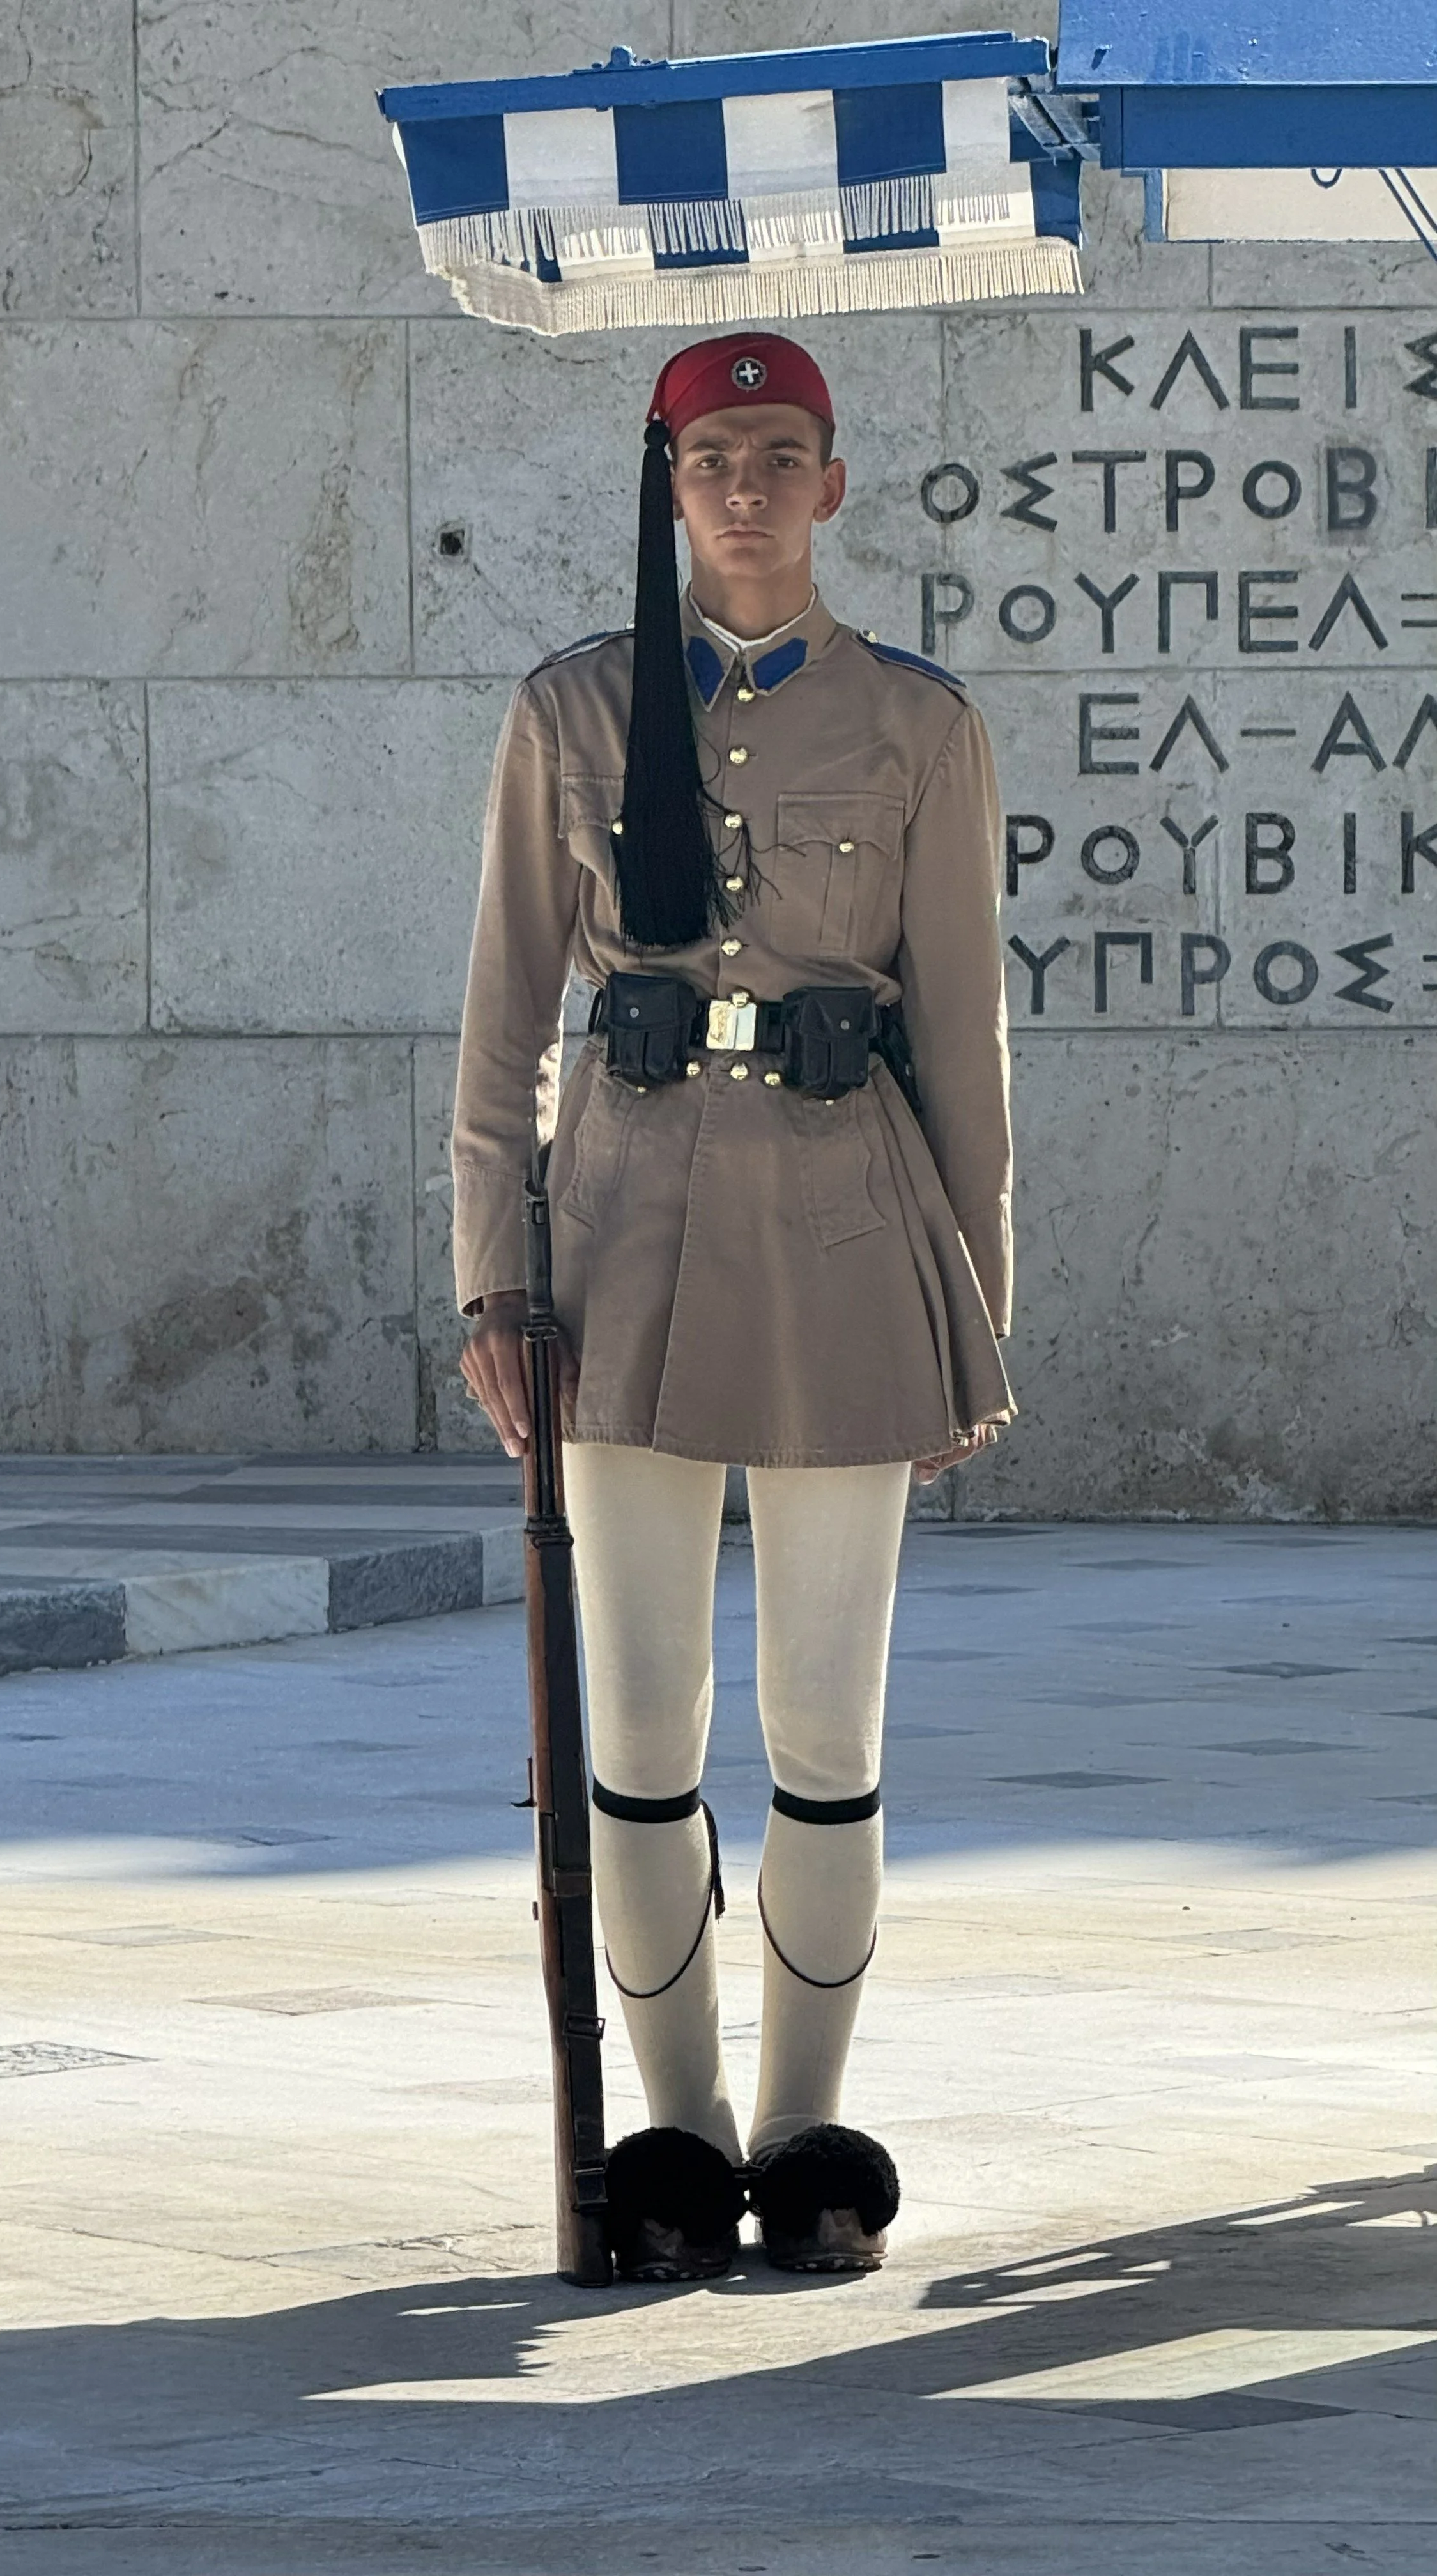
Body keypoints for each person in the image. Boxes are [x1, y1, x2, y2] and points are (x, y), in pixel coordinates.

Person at [456, 331, 1013, 2281]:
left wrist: (977, 1310)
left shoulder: (918, 726)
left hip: (852, 1236)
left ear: (834, 484)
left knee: (825, 1719)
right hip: (618, 1236)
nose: (750, 490)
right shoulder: (572, 712)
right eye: (713, 461)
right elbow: (499, 1018)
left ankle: (806, 2126)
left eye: (782, 456)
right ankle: (676, 2128)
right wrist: (490, 1278)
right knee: (638, 1723)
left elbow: (963, 1036)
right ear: (666, 488)